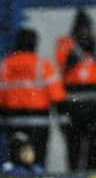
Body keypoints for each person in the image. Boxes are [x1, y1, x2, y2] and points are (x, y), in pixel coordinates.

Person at [55, 9, 96, 170]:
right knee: (74, 146)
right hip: (74, 104)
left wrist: (94, 48)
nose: (84, 31)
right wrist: (80, 48)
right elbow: (65, 62)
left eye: (87, 28)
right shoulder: (66, 42)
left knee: (95, 146)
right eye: (81, 28)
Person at [0, 28, 66, 167]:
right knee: (38, 159)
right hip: (38, 122)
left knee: (16, 159)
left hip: (14, 121)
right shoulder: (43, 65)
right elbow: (57, 96)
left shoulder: (6, 65)